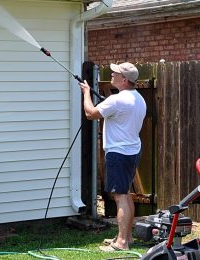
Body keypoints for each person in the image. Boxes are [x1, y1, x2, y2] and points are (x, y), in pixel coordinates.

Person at [79, 62, 146, 251]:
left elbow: (90, 113)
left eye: (115, 73)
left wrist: (86, 92)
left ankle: (122, 243)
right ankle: (127, 237)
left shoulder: (117, 100)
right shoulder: (138, 98)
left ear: (124, 80)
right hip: (132, 151)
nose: (112, 74)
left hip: (118, 153)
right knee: (125, 194)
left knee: (120, 197)